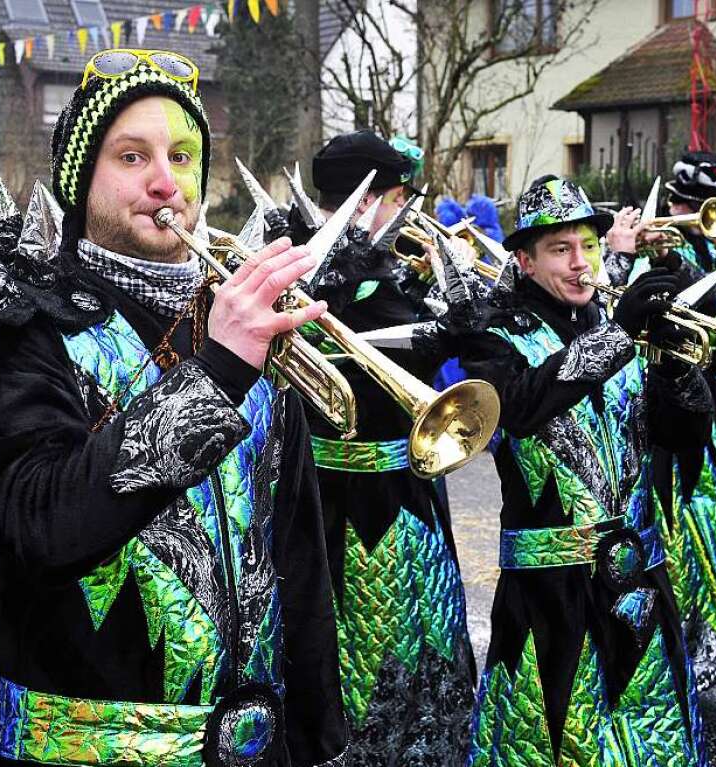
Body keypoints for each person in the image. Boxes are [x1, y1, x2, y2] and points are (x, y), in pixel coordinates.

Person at [0, 51, 349, 766]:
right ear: (81, 181)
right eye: (132, 156)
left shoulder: (245, 321)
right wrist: (218, 371)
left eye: (185, 155)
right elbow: (45, 524)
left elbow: (297, 554)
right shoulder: (12, 327)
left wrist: (322, 740)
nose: (167, 183)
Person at [459, 176, 711, 765]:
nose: (580, 264)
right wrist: (620, 333)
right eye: (560, 250)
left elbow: (683, 438)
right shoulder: (493, 333)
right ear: (523, 260)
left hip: (639, 579)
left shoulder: (622, 330)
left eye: (590, 247)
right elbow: (519, 409)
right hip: (550, 591)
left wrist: (676, 372)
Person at [302, 131, 476, 765]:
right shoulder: (311, 269)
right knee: (352, 646)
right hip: (339, 503)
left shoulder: (388, 271)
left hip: (408, 489)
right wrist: (437, 331)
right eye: (400, 197)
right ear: (366, 199)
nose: (409, 213)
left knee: (423, 638)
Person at [605, 152, 716, 689]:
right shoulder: (651, 255)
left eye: (703, 208)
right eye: (689, 205)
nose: (695, 214)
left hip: (705, 391)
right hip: (659, 410)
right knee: (673, 520)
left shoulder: (701, 245)